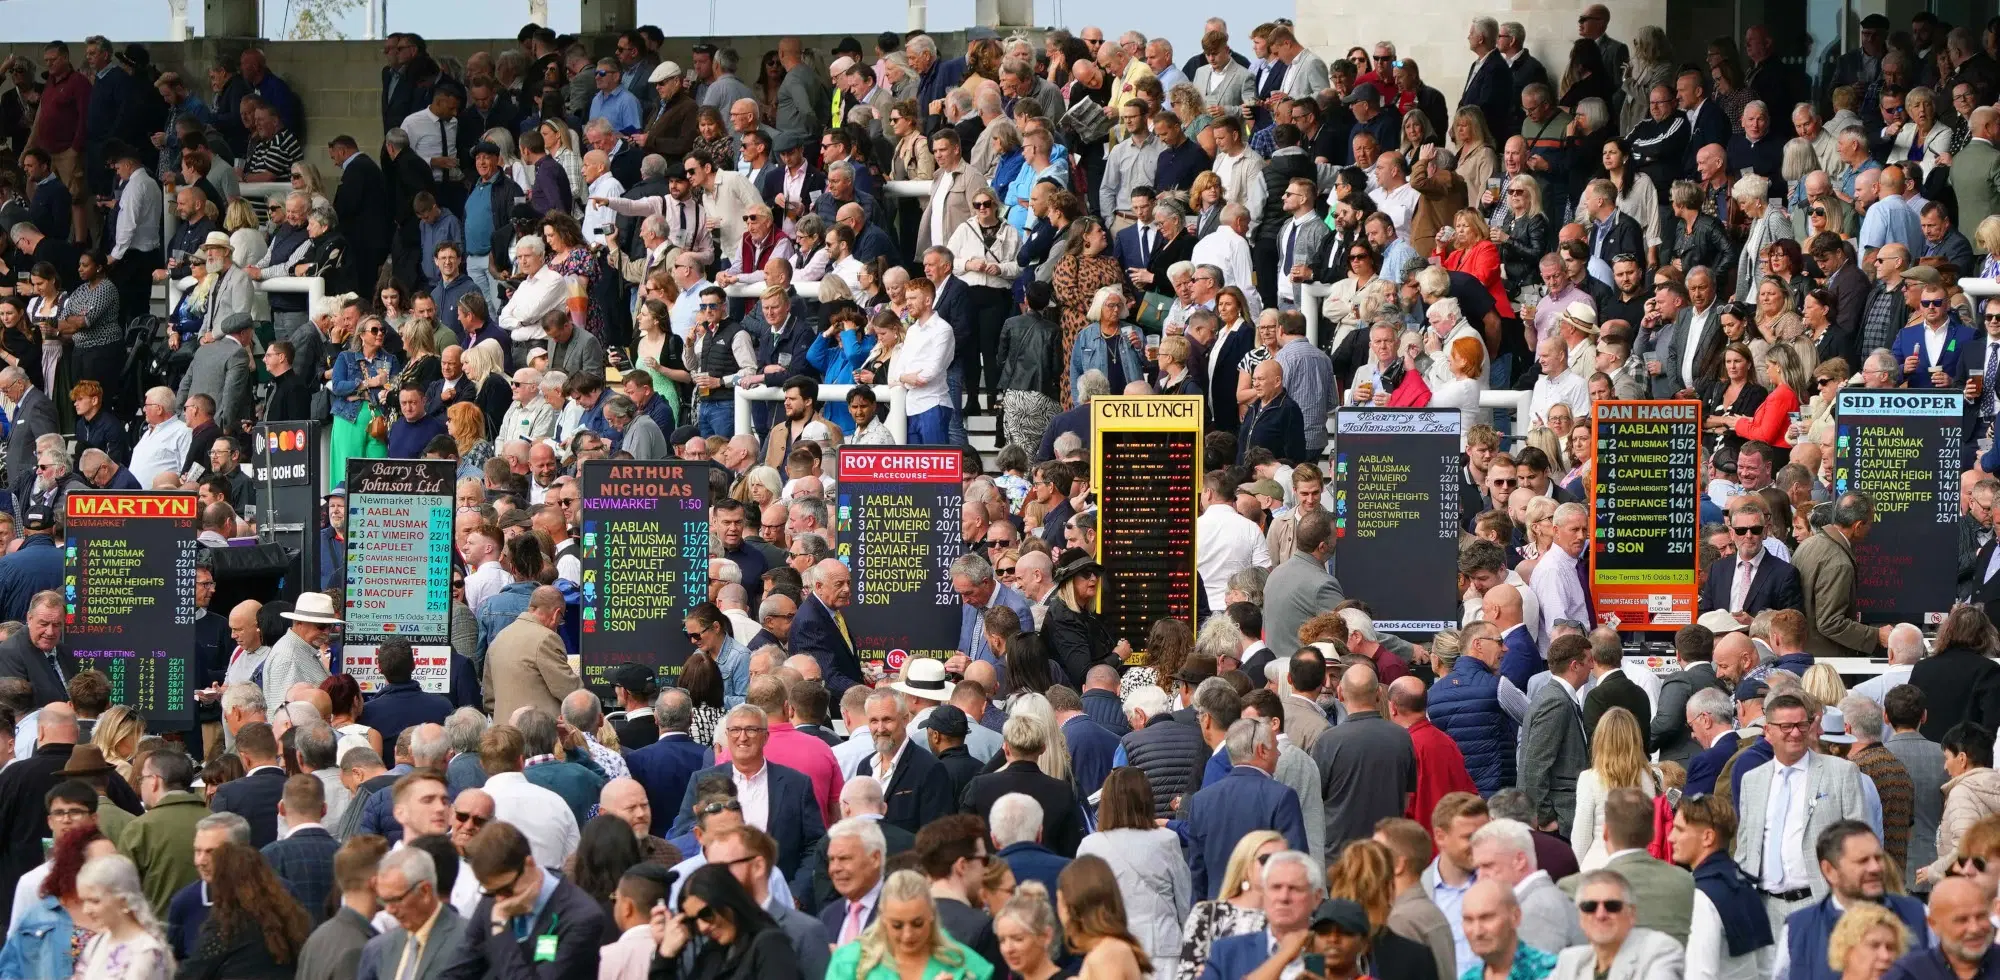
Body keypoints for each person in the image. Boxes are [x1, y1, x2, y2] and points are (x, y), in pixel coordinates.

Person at [452, 820, 607, 977]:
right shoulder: (494, 899)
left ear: (529, 864)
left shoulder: (581, 917)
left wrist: (499, 926)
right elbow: (460, 968)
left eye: (506, 889)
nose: (499, 900)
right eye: (491, 892)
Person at [822, 868, 995, 980]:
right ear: (882, 918)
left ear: (932, 915)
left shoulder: (969, 966)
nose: (908, 935)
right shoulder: (849, 961)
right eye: (897, 925)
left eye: (918, 924)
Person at [1549, 870, 1683, 980]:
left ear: (1631, 913)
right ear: (1580, 916)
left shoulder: (1659, 951)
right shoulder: (1570, 960)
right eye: (1589, 906)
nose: (1600, 914)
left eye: (1612, 906)